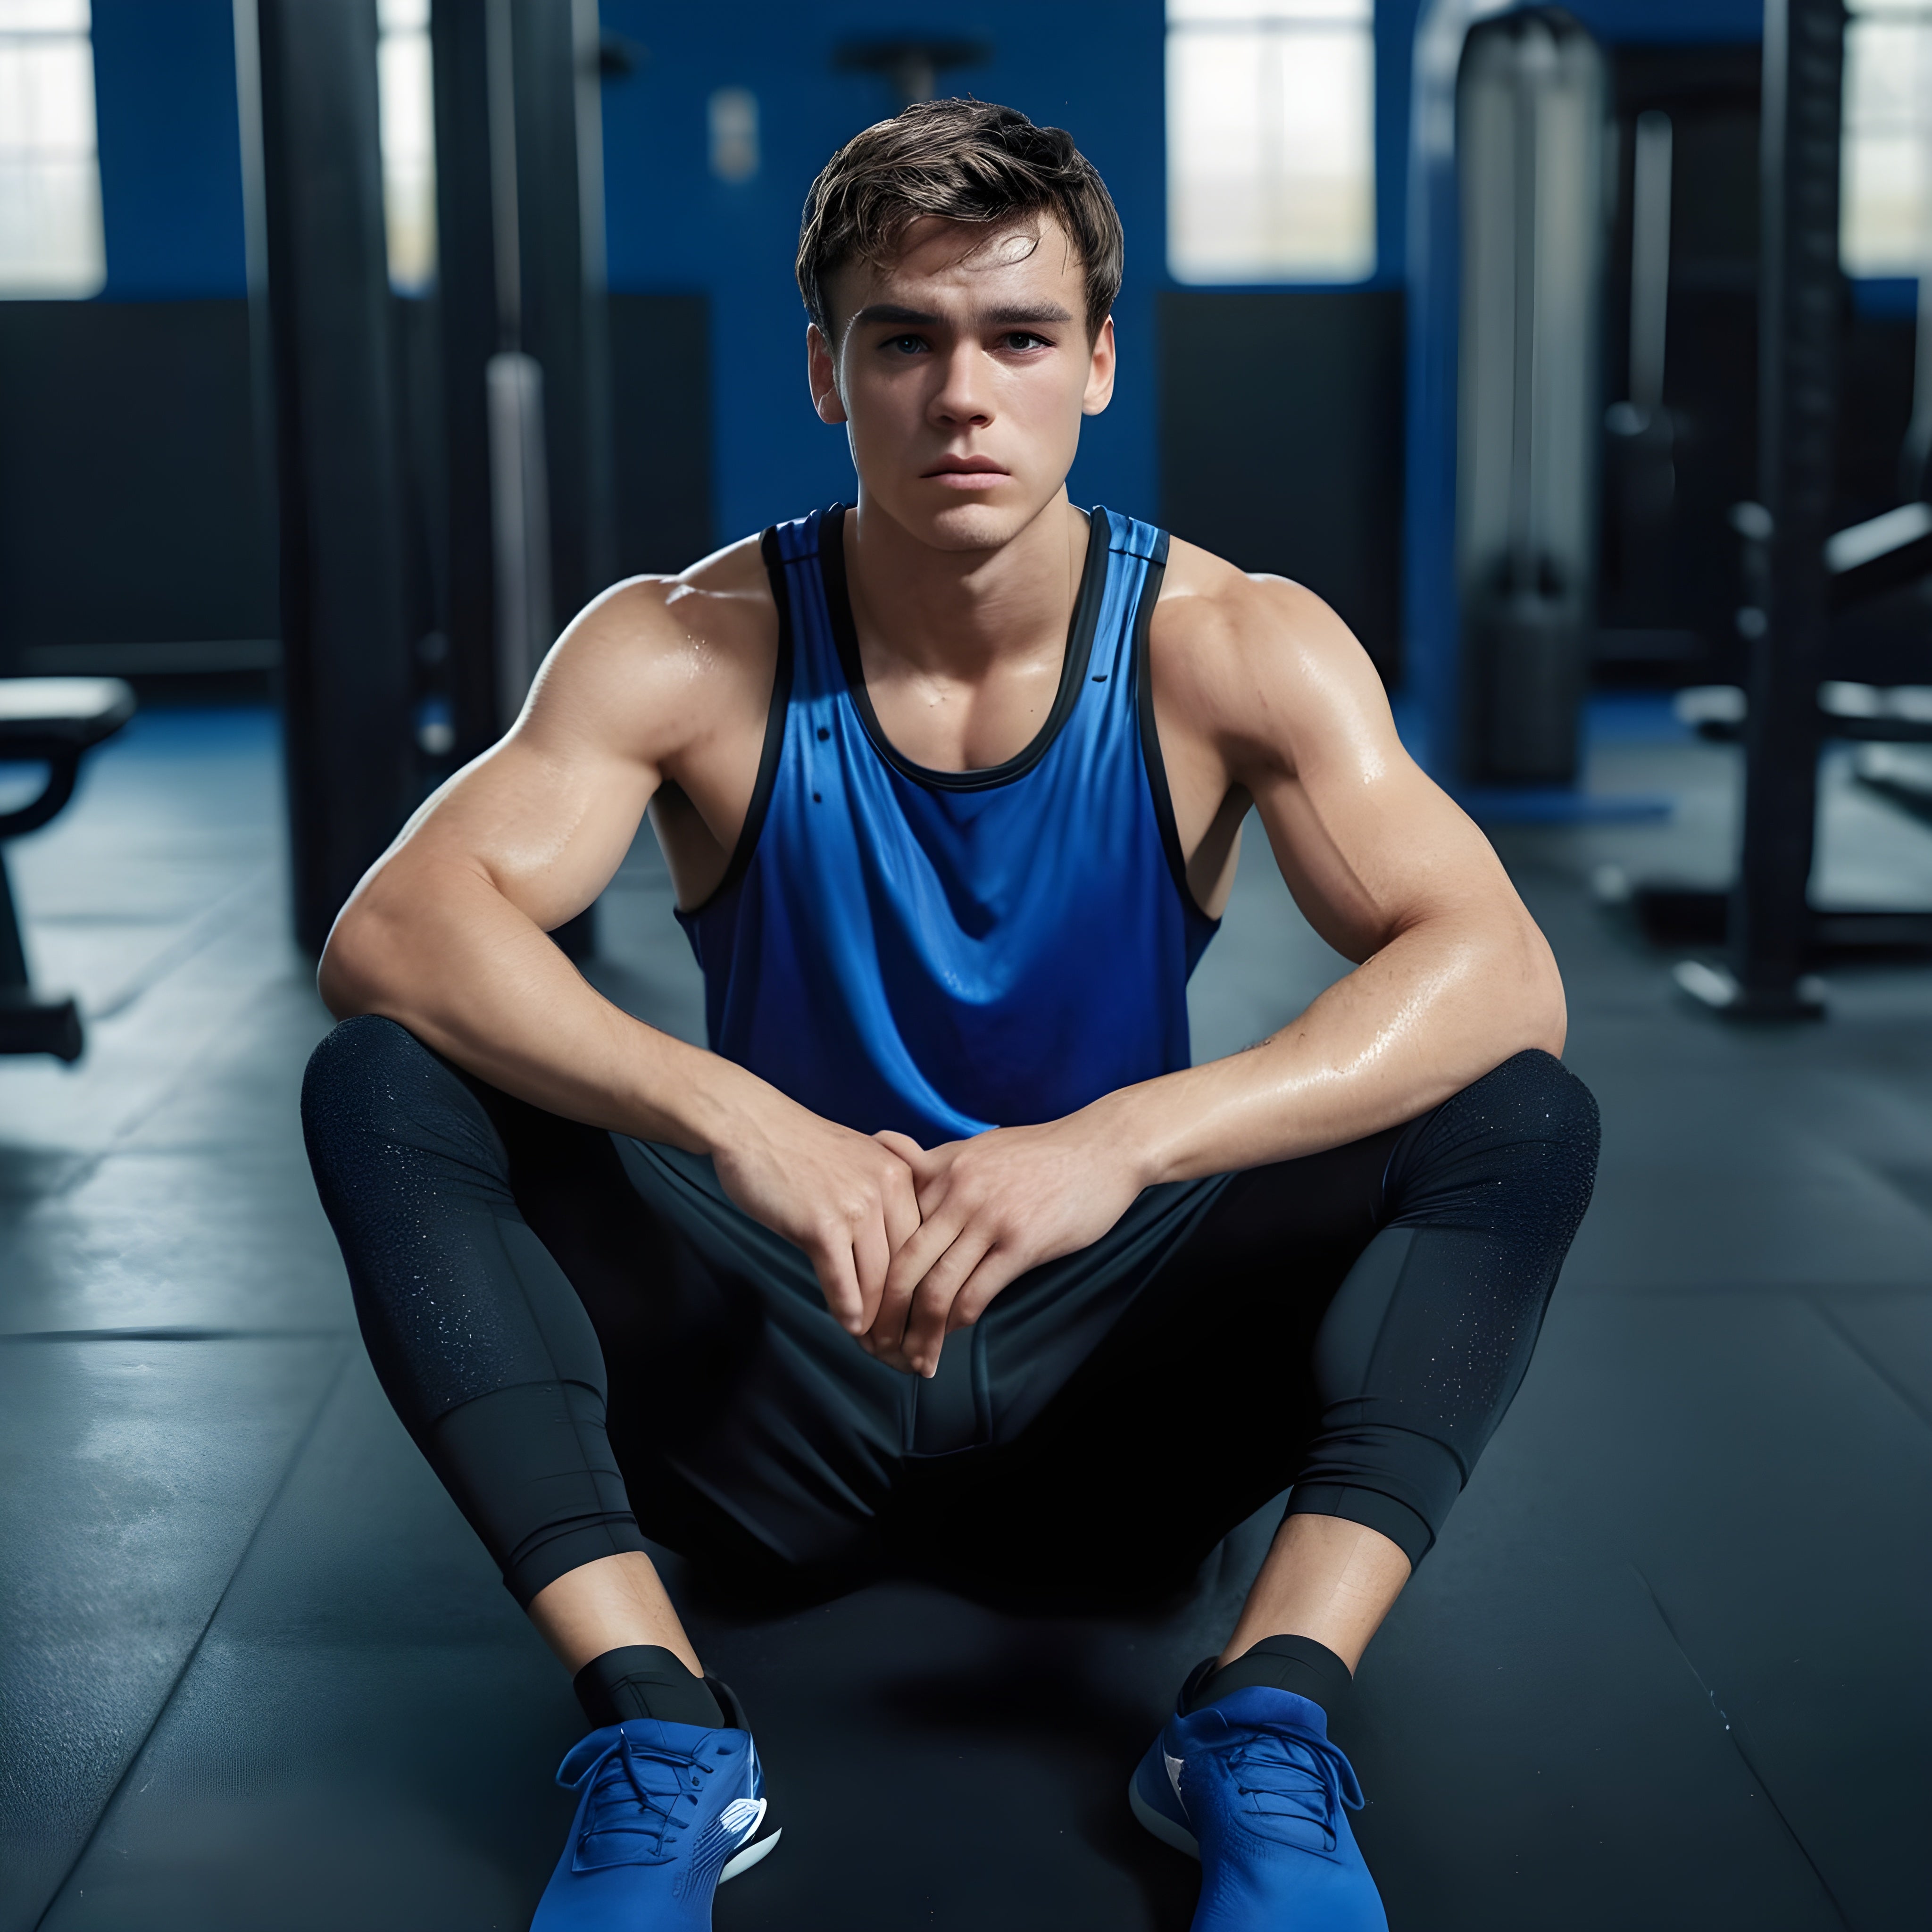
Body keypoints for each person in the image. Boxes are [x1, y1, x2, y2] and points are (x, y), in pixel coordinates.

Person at [302, 99, 1598, 1932]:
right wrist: (740, 1121)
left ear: (1098, 362)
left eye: (1015, 338)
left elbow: (1499, 966)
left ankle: (1264, 1713)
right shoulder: (680, 643)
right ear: (827, 374)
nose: (960, 395)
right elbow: (396, 926)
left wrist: (1119, 1142)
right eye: (901, 340)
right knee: (386, 1079)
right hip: (772, 1375)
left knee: (1519, 1109)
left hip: (1116, 1403)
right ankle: (658, 1720)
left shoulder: (1230, 644)